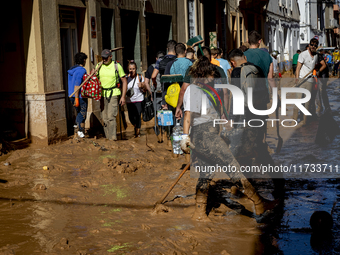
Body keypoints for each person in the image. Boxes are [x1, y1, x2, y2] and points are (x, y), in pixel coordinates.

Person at [180, 55, 278, 221]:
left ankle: (199, 213)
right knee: (233, 168)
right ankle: (259, 203)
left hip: (210, 132)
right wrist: (184, 136)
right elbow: (188, 115)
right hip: (204, 135)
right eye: (211, 74)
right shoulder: (192, 90)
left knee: (205, 173)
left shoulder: (207, 89)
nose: (213, 77)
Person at [175, 46, 227, 120]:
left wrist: (178, 107)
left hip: (196, 111)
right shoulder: (219, 70)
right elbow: (225, 93)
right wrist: (225, 112)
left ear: (198, 57)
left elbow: (183, 89)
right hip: (215, 111)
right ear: (210, 57)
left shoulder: (192, 70)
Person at [97, 49, 127, 141]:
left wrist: (123, 96)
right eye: (103, 57)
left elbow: (124, 81)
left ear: (111, 57)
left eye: (106, 57)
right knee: (104, 118)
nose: (104, 59)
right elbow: (95, 80)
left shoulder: (116, 66)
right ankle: (107, 138)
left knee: (111, 117)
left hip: (114, 94)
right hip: (102, 94)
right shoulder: (99, 66)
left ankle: (112, 139)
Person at [293, 38, 320, 125]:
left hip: (310, 80)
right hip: (301, 80)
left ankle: (304, 122)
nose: (313, 47)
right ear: (309, 45)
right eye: (312, 45)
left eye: (315, 46)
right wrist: (296, 79)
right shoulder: (303, 54)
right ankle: (295, 119)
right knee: (298, 101)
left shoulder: (316, 56)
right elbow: (298, 67)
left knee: (307, 102)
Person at [126, 60, 149, 138]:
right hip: (129, 101)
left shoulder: (140, 77)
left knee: (138, 116)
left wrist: (143, 86)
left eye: (133, 69)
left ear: (136, 69)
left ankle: (137, 132)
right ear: (128, 69)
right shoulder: (126, 78)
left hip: (139, 100)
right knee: (131, 117)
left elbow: (145, 89)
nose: (132, 70)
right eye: (130, 69)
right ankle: (135, 126)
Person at [151, 40, 177, 109]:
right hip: (176, 90)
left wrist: (154, 82)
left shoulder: (160, 60)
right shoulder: (177, 59)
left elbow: (153, 76)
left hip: (165, 90)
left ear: (167, 49)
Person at [68, 52, 89, 138]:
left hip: (72, 96)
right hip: (79, 96)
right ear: (84, 60)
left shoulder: (72, 69)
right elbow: (77, 84)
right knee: (82, 114)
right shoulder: (81, 70)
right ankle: (80, 131)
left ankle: (78, 131)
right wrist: (77, 98)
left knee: (79, 113)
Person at [315, 49, 330, 115]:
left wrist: (318, 72)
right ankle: (320, 107)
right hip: (317, 77)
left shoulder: (318, 56)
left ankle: (327, 108)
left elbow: (324, 66)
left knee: (322, 92)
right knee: (316, 93)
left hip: (322, 76)